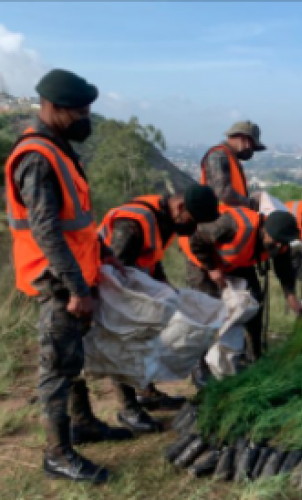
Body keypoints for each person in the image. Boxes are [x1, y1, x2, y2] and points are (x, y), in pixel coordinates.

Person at [5, 69, 133, 483]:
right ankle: (57, 455)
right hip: (58, 280)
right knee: (57, 368)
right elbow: (46, 231)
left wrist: (104, 252)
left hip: (75, 274)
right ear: (53, 108)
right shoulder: (38, 157)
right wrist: (77, 288)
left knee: (72, 358)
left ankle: (83, 424)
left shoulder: (58, 149)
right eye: (79, 111)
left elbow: (77, 221)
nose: (85, 118)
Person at [97, 185, 220, 433]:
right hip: (103, 287)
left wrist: (164, 286)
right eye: (193, 220)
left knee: (145, 337)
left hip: (129, 283)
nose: (193, 227)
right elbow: (112, 272)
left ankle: (146, 393)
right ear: (180, 207)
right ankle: (128, 409)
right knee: (123, 342)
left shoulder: (164, 219)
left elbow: (151, 256)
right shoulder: (132, 224)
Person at [179, 207, 302, 381]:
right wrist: (212, 268)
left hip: (235, 261)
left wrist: (292, 299)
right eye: (276, 241)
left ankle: (254, 357)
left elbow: (284, 270)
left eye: (283, 242)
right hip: (202, 260)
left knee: (254, 302)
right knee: (206, 312)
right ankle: (199, 366)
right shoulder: (234, 225)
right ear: (265, 230)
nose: (278, 246)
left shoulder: (279, 242)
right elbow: (196, 239)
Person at [200, 120, 266, 210]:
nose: (251, 150)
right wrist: (252, 203)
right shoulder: (219, 156)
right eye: (252, 146)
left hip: (233, 215)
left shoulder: (230, 158)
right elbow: (224, 193)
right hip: (220, 216)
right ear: (243, 139)